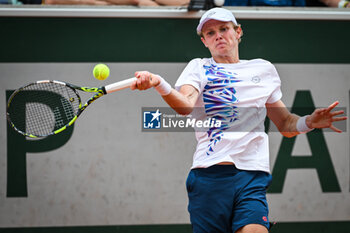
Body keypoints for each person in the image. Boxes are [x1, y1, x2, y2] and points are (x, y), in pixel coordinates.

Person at [131, 7, 347, 233]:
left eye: (224, 29)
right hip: (209, 177)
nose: (218, 36)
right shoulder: (198, 67)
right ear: (204, 41)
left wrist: (309, 122)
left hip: (251, 176)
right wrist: (159, 84)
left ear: (238, 32)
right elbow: (185, 106)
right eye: (211, 33)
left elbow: (285, 124)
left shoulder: (264, 69)